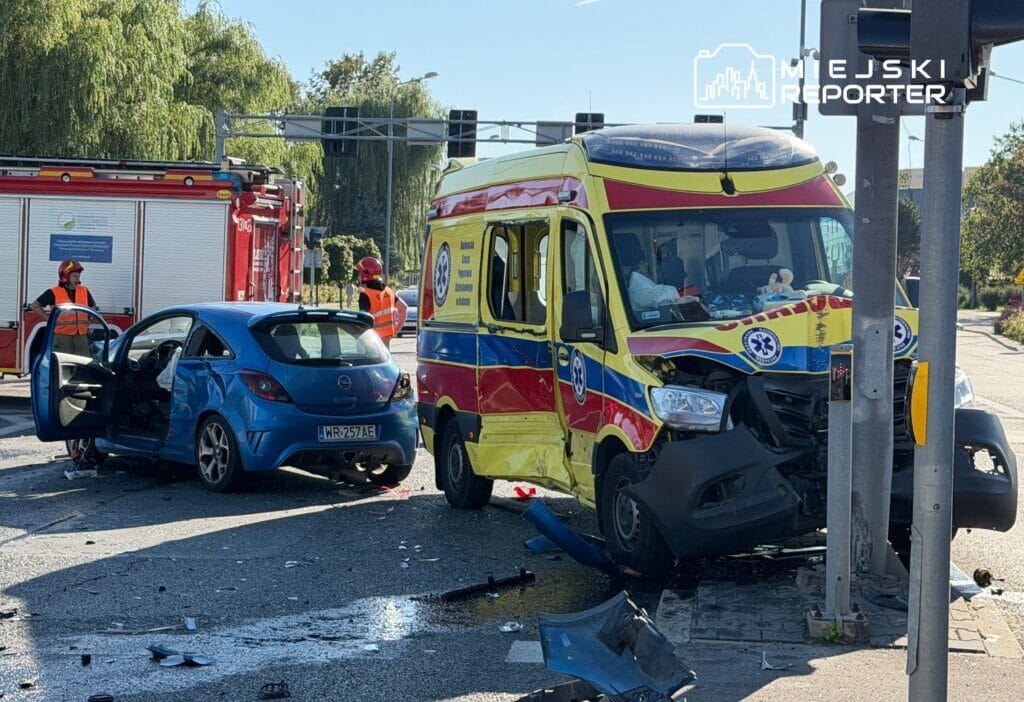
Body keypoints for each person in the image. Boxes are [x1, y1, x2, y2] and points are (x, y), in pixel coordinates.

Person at [29, 259, 98, 357]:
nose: (77, 280)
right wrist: (50, 319)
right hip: (62, 337)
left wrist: (90, 320)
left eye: (78, 276)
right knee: (64, 367)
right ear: (65, 276)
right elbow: (34, 306)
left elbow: (93, 307)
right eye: (74, 276)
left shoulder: (84, 290)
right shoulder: (54, 292)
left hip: (81, 337)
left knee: (83, 367)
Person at [355, 256, 407, 349]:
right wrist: (395, 330)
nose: (358, 276)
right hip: (386, 340)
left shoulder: (365, 294)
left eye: (359, 273)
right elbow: (404, 308)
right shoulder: (389, 291)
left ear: (365, 274)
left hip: (370, 340)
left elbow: (363, 321)